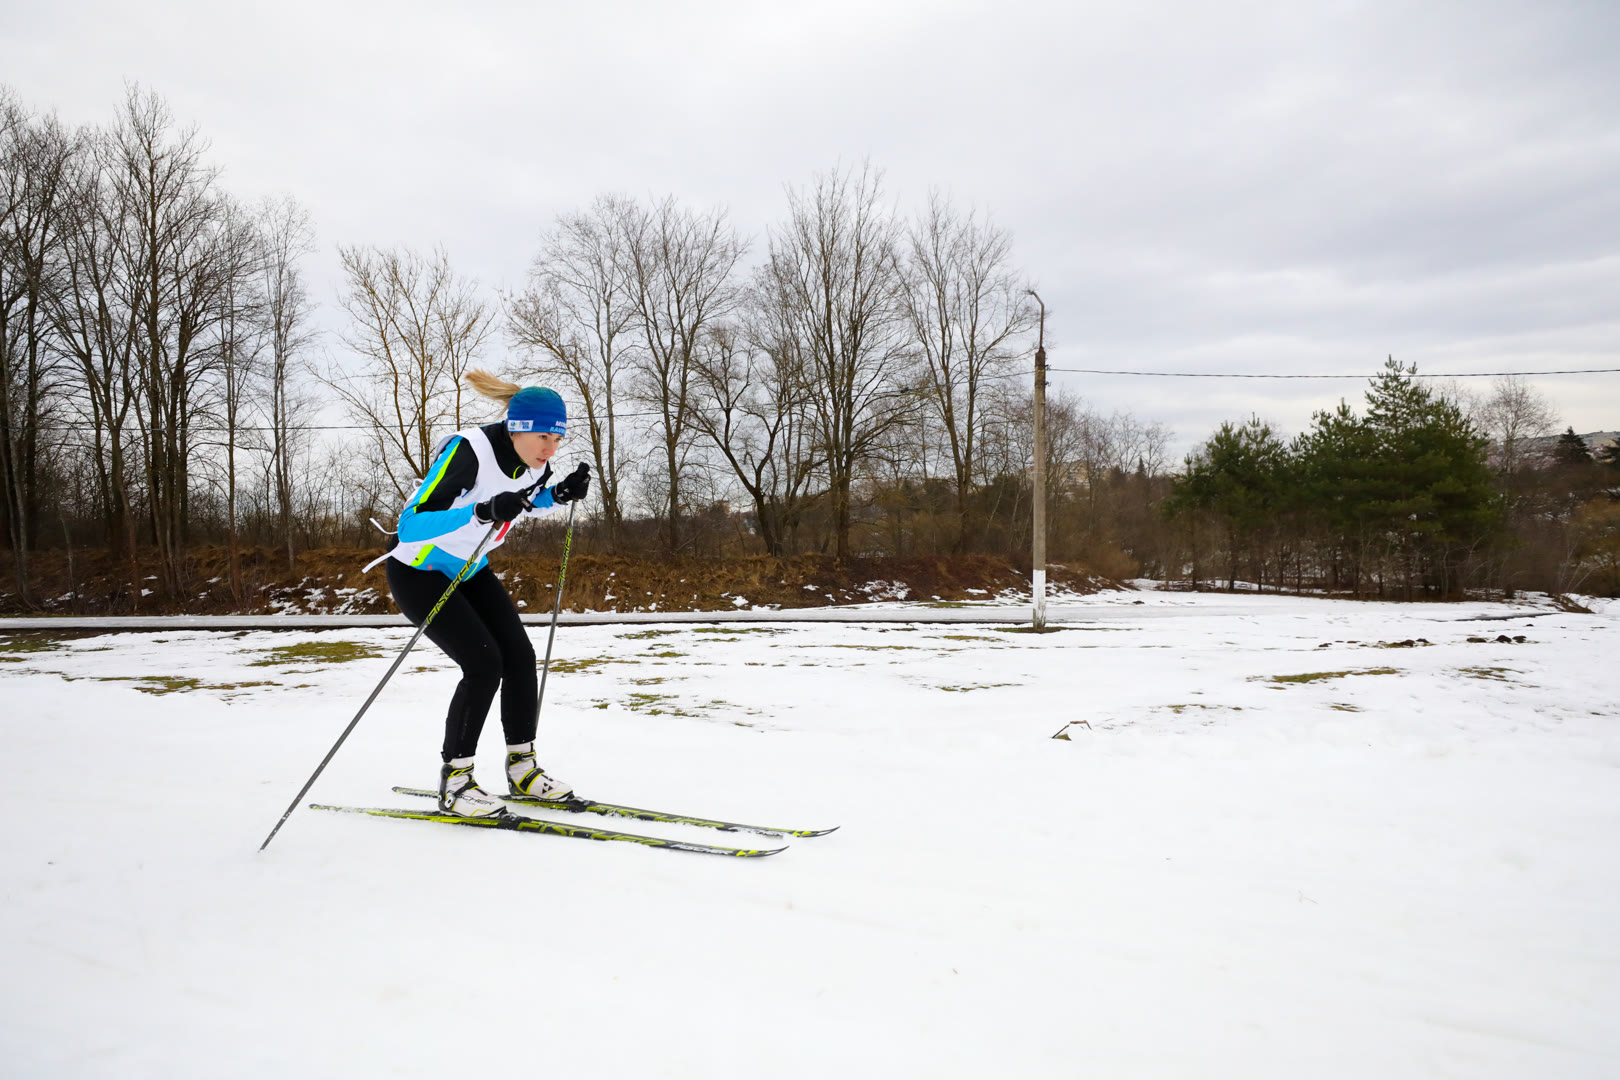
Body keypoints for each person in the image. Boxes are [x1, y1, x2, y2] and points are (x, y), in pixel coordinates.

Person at [375, 369, 591, 817]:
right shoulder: (468, 452)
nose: (552, 449)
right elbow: (411, 524)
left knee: (519, 657)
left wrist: (556, 494)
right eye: (545, 438)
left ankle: (523, 769)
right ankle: (456, 782)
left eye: (559, 440)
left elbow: (521, 500)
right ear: (518, 429)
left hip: (470, 568)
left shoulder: (536, 465)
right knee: (483, 663)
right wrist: (481, 510)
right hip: (418, 570)